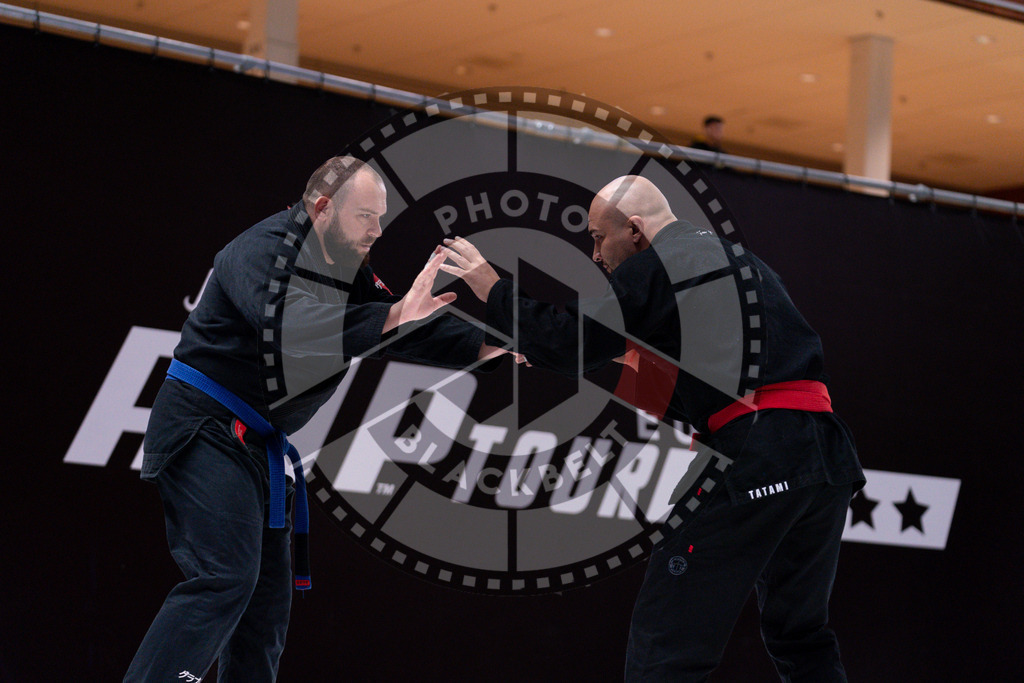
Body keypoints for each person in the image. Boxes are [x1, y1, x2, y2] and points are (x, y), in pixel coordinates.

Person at [440, 175, 864, 682]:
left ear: (636, 230)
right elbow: (712, 361)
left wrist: (492, 286)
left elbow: (568, 342)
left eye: (599, 237)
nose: (596, 255)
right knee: (800, 634)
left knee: (666, 638)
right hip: (825, 455)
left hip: (755, 450)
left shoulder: (661, 263)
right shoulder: (743, 262)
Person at [125, 156, 505, 682]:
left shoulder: (347, 266)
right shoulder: (260, 249)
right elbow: (287, 324)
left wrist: (504, 344)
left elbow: (405, 328)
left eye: (380, 218)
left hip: (256, 446)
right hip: (205, 428)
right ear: (323, 207)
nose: (376, 230)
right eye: (365, 216)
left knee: (265, 608)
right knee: (224, 578)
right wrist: (396, 316)